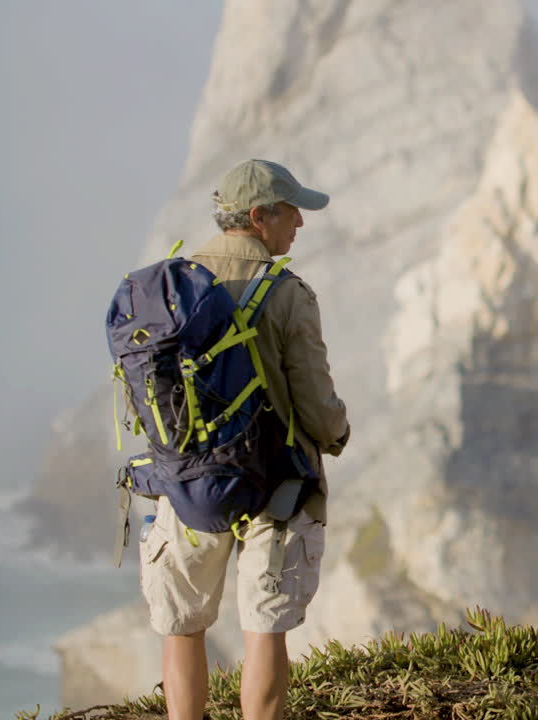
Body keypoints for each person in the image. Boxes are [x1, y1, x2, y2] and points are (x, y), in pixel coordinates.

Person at [138, 159, 351, 720]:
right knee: (263, 629)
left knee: (183, 625)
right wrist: (337, 433)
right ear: (259, 216)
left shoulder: (170, 286)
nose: (300, 225)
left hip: (185, 483)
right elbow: (314, 397)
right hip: (271, 484)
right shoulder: (286, 294)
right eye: (292, 212)